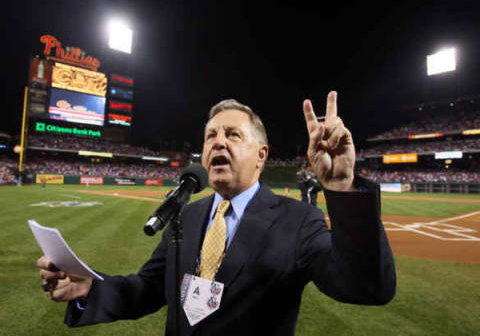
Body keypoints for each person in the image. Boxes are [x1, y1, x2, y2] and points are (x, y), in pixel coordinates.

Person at [37, 91, 396, 336]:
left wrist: (343, 184)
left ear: (261, 155)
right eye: (210, 136)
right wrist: (89, 288)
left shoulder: (298, 220)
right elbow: (148, 287)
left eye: (233, 135)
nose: (218, 142)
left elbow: (367, 286)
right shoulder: (186, 216)